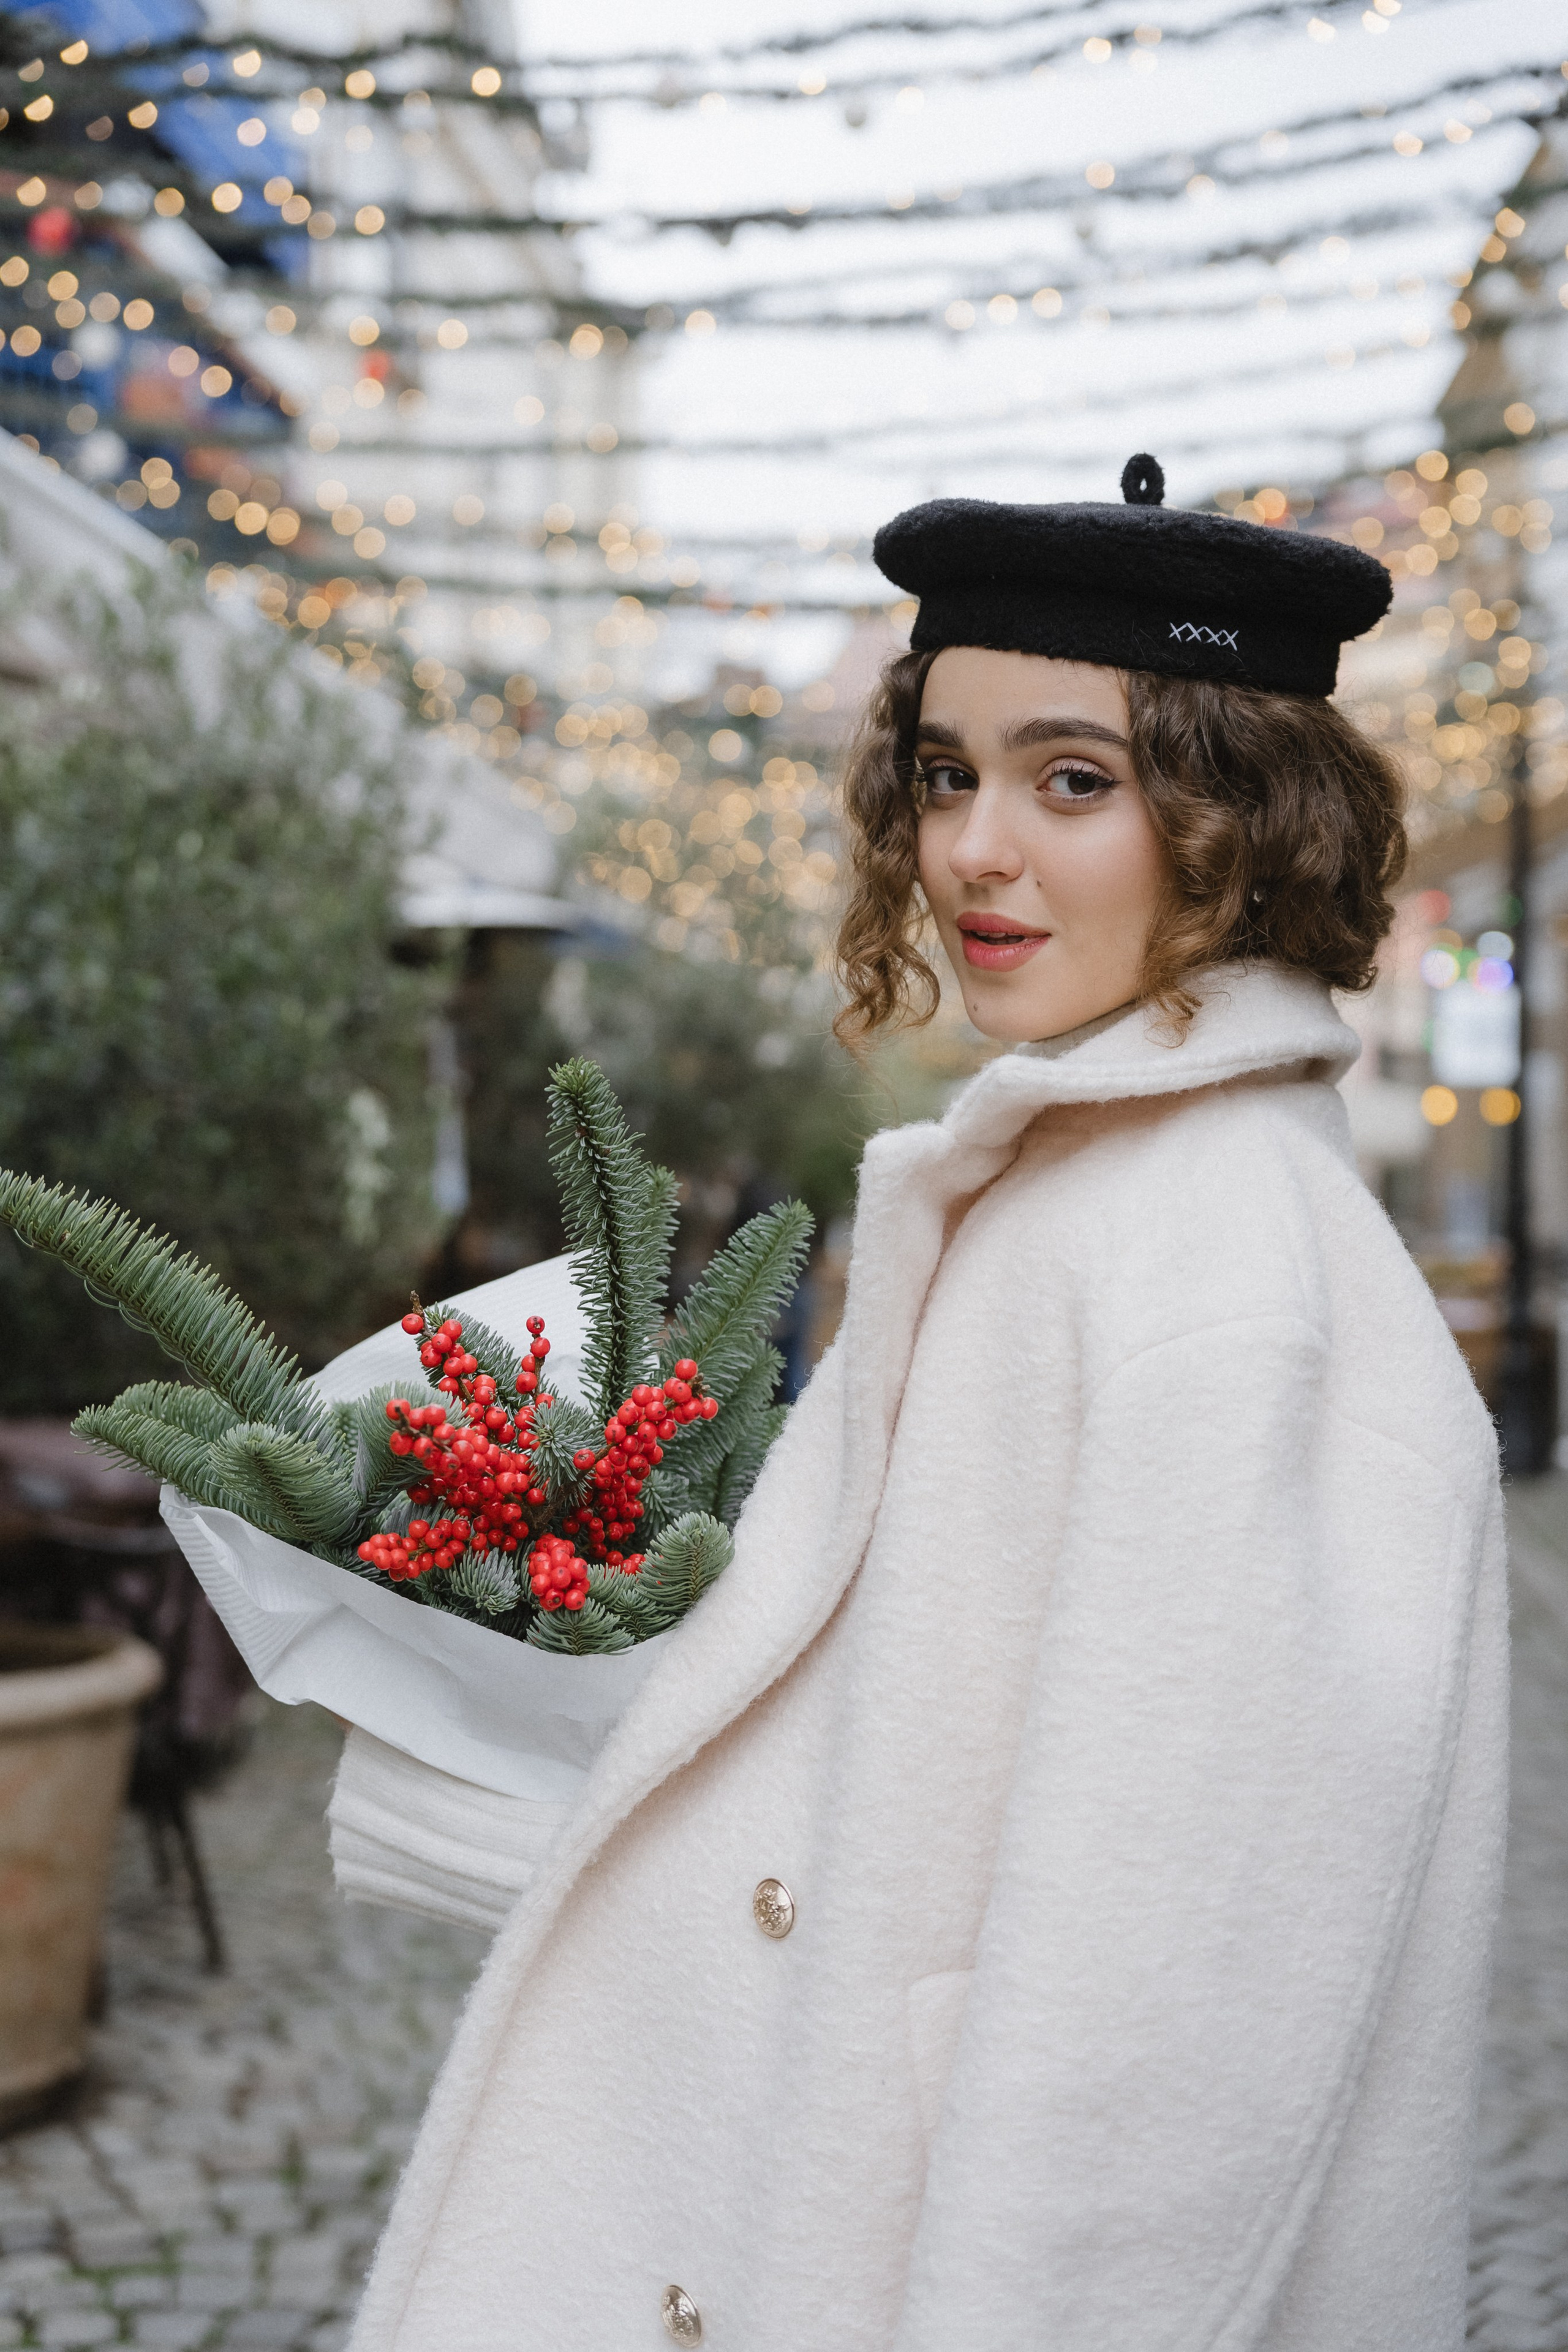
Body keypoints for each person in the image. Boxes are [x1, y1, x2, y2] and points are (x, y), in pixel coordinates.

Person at [342, 456, 1506, 2352]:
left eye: (1073, 779)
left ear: (1241, 821)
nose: (973, 848)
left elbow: (1171, 2043)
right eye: (947, 772)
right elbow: (890, 1798)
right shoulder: (1072, 1203)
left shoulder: (1214, 1270)